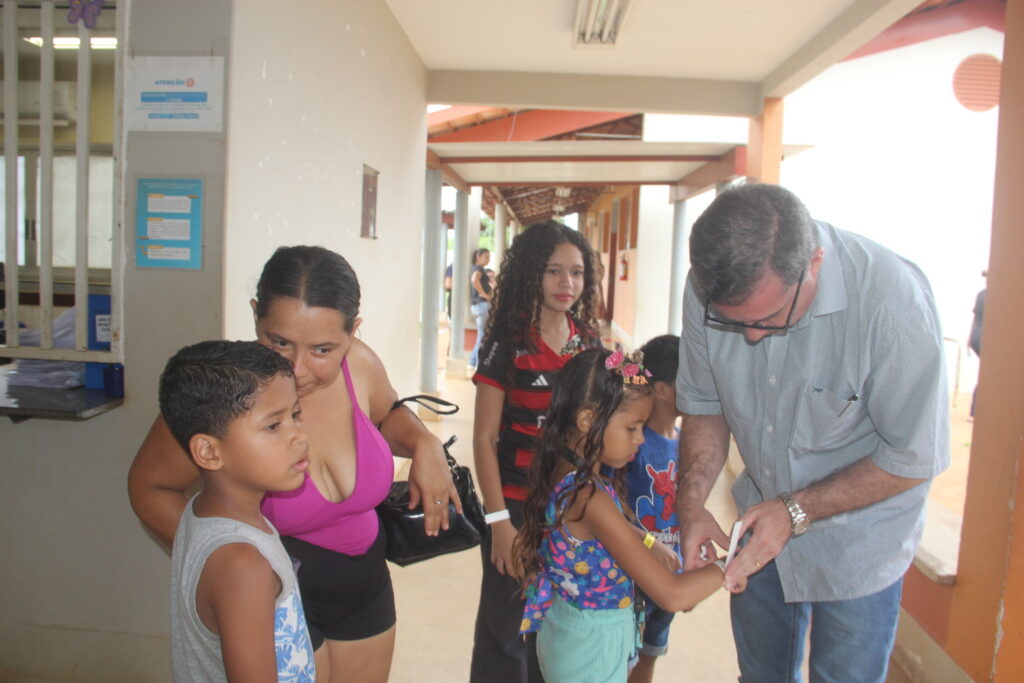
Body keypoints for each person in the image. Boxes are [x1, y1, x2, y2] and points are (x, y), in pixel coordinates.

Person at [128, 246, 458, 683]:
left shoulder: (358, 362)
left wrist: (424, 443)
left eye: (323, 349)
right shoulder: (227, 397)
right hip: (284, 596)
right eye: (278, 341)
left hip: (366, 589)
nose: (297, 368)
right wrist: (231, 567)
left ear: (353, 333)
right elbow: (149, 488)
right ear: (254, 317)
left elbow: (387, 411)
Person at [676, 183, 949, 682]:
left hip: (860, 539)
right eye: (735, 323)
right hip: (760, 515)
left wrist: (795, 511)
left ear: (815, 263)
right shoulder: (706, 286)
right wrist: (691, 504)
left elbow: (915, 456)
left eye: (770, 319)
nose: (753, 336)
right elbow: (703, 403)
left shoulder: (892, 303)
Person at [515, 348, 731, 683]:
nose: (641, 439)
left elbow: (607, 532)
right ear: (587, 420)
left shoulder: (568, 472)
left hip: (569, 633)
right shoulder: (590, 497)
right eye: (632, 428)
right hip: (591, 650)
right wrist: (730, 565)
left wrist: (648, 541)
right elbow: (672, 594)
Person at [470, 220, 603, 683]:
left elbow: (635, 392)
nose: (568, 283)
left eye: (577, 273)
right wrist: (498, 524)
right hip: (515, 509)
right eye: (554, 271)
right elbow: (484, 440)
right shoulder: (507, 345)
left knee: (556, 628)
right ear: (531, 273)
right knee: (505, 634)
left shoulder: (590, 343)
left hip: (570, 510)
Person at [160, 340, 316, 682]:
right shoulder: (242, 565)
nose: (299, 436)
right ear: (209, 452)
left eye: (295, 415)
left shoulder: (204, 512)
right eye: (273, 426)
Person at [624, 334, 683, 683]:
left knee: (649, 658)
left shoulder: (686, 442)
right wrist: (649, 545)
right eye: (690, 381)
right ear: (660, 390)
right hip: (631, 580)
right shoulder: (632, 443)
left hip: (668, 577)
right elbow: (611, 513)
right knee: (622, 660)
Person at [468, 248, 493, 367]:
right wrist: (484, 294)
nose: (488, 259)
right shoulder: (478, 269)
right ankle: (478, 363)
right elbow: (474, 280)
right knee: (482, 335)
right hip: (481, 304)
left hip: (477, 306)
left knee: (481, 334)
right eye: (486, 257)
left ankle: (473, 361)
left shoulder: (477, 269)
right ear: (478, 256)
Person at [968, 272, 986, 419]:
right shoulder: (994, 294)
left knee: (985, 372)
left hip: (976, 336)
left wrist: (969, 340)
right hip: (985, 337)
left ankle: (974, 411)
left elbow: (975, 319)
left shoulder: (981, 294)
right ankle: (975, 411)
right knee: (987, 374)